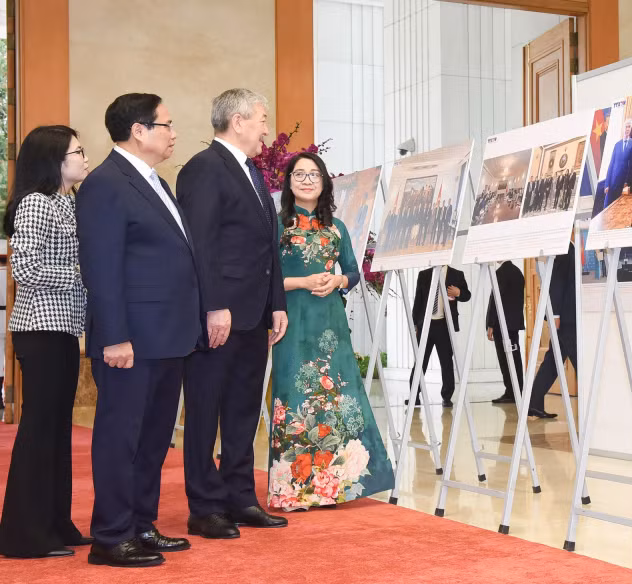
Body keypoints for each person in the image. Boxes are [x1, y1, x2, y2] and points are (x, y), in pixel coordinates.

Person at [77, 93, 201, 567]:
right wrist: (113, 336)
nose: (173, 133)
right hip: (131, 338)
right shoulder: (107, 183)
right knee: (120, 436)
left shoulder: (156, 183)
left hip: (168, 335)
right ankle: (111, 534)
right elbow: (101, 267)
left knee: (153, 437)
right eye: (167, 125)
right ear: (138, 130)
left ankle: (141, 524)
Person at [176, 88, 288, 538]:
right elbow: (200, 246)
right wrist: (213, 306)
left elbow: (267, 244)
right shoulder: (204, 169)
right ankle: (204, 507)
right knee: (205, 411)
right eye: (262, 118)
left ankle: (240, 497)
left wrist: (276, 302)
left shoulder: (253, 173)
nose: (266, 127)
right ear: (238, 120)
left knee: (243, 410)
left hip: (254, 314)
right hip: (218, 316)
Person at [268, 152, 394, 510]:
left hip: (330, 323)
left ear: (324, 183)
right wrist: (301, 282)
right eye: (299, 174)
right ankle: (293, 489)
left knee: (339, 397)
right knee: (294, 395)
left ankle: (334, 485)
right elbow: (268, 276)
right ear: (289, 182)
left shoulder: (336, 227)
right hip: (292, 319)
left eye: (314, 174)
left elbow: (353, 271)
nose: (307, 180)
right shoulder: (278, 224)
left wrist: (338, 279)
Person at [0, 126, 90, 559]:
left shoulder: (68, 202)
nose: (84, 158)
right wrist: (82, 276)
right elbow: (28, 271)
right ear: (54, 159)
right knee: (38, 430)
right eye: (77, 151)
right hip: (40, 328)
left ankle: (56, 522)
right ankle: (24, 534)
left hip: (63, 328)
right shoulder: (36, 203)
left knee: (56, 430)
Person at [408, 265, 471, 408]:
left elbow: (467, 295)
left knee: (446, 362)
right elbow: (418, 300)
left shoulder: (457, 274)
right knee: (420, 361)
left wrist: (458, 292)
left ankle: (447, 397)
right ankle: (414, 396)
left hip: (444, 325)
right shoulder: (424, 274)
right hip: (425, 324)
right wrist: (415, 325)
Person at [529, 241, 577, 419]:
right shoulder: (564, 247)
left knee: (553, 360)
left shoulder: (568, 247)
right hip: (566, 317)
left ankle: (533, 403)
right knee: (578, 359)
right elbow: (556, 283)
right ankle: (591, 399)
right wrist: (554, 315)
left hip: (566, 315)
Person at [487, 261, 525, 405]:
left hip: (501, 324)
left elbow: (496, 300)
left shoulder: (500, 273)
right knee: (515, 357)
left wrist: (491, 324)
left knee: (504, 359)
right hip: (513, 324)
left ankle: (510, 392)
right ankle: (518, 390)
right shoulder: (518, 272)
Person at [603, 118, 632, 208]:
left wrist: (627, 182)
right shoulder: (617, 144)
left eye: (629, 127)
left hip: (622, 184)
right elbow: (611, 164)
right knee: (607, 207)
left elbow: (631, 165)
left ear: (630, 128)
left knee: (617, 207)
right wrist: (607, 184)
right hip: (612, 182)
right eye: (626, 127)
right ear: (623, 128)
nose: (627, 129)